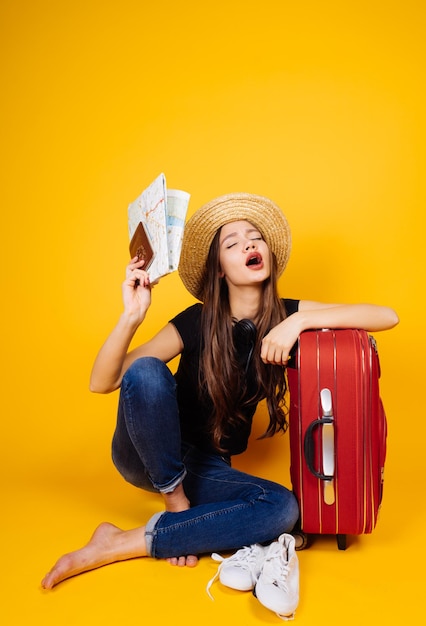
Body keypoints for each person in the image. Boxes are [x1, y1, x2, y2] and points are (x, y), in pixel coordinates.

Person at [41, 193, 398, 615]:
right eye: (232, 243)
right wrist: (131, 316)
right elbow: (105, 382)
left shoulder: (286, 314)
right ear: (220, 271)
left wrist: (299, 321)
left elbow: (386, 315)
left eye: (255, 238)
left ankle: (125, 539)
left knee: (281, 509)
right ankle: (175, 506)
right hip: (145, 454)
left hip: (207, 467)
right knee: (146, 371)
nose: (249, 245)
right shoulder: (195, 320)